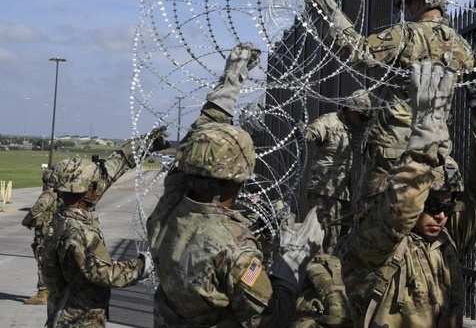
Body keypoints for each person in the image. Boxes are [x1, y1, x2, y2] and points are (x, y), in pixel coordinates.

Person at [148, 43, 325, 327]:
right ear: (239, 178)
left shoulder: (170, 208)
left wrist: (230, 83)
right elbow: (267, 318)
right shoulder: (236, 251)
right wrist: (289, 267)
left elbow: (200, 137)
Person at [341, 60, 476, 327]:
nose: (442, 214)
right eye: (431, 204)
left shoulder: (446, 241)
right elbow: (399, 212)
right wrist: (423, 146)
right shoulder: (376, 242)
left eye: (449, 203)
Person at [307, 0, 474, 197]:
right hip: (435, 147)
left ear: (421, 0)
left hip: (394, 149)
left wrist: (329, 9)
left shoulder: (407, 34)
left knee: (378, 223)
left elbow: (360, 52)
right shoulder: (461, 46)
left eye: (407, 3)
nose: (406, 9)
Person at [42, 156, 153, 328]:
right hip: (79, 319)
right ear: (88, 190)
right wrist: (142, 265)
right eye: (95, 184)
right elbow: (102, 274)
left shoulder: (58, 219)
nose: (99, 187)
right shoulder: (79, 231)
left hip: (63, 309)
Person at [304, 89, 371, 252]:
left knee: (339, 239)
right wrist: (306, 133)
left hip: (346, 194)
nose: (362, 120)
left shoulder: (360, 130)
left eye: (365, 117)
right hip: (325, 191)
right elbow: (312, 132)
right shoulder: (330, 121)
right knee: (322, 238)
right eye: (361, 116)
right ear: (350, 110)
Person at [21, 167, 59, 305]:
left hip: (44, 234)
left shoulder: (48, 195)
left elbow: (36, 210)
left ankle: (43, 293)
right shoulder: (61, 194)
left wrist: (26, 221)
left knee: (43, 263)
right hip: (55, 232)